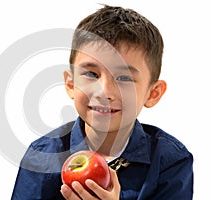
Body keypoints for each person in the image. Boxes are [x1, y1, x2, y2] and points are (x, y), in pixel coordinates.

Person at [11, 4, 193, 200]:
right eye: (91, 74)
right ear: (71, 84)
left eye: (124, 78)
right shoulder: (41, 157)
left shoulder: (170, 161)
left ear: (153, 93)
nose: (105, 91)